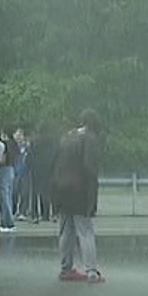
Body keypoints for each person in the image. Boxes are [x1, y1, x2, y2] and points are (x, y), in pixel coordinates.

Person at [53, 110, 104, 282]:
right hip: (79, 189)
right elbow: (90, 168)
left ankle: (66, 269)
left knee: (65, 230)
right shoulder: (90, 139)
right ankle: (91, 271)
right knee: (85, 230)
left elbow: (55, 163)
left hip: (61, 188)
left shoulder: (66, 137)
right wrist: (92, 198)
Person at [0, 129, 18, 234]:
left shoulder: (4, 144)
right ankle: (7, 222)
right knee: (8, 196)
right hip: (11, 170)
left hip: (4, 170)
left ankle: (7, 223)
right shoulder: (13, 144)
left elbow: (2, 160)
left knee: (4, 197)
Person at [10, 129, 34, 226]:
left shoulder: (28, 147)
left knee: (25, 192)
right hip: (15, 171)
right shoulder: (13, 146)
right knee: (14, 192)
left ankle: (23, 212)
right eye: (17, 134)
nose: (19, 136)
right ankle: (13, 211)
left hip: (25, 172)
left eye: (20, 134)